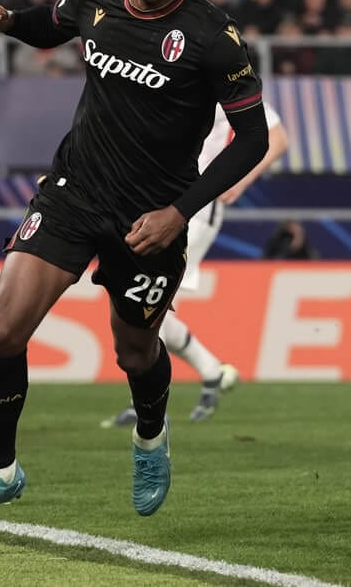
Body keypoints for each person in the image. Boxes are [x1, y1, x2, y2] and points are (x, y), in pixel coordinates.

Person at [0, 0, 269, 538]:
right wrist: (9, 22)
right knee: (2, 331)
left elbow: (252, 139)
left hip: (152, 217)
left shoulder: (212, 36)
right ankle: (0, 472)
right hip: (74, 191)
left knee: (135, 350)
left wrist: (179, 213)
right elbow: (52, 25)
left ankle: (150, 437)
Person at [104, 101, 288, 427]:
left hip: (196, 210)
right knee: (147, 305)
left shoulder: (224, 85)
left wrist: (241, 181)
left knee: (149, 304)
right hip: (161, 205)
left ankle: (146, 402)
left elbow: (277, 137)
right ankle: (211, 372)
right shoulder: (176, 83)